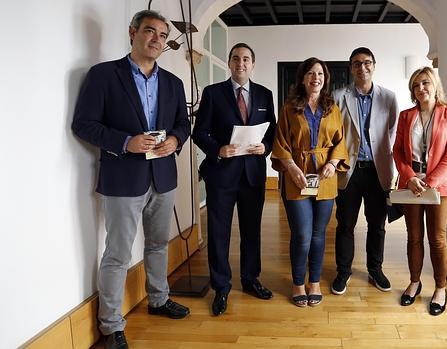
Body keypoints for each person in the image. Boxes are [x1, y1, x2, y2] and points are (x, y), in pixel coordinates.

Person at [72, 10, 191, 349]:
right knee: (118, 254)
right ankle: (111, 326)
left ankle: (158, 299)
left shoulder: (173, 82)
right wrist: (126, 142)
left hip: (163, 176)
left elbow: (183, 124)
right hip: (123, 178)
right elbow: (83, 124)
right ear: (133, 32)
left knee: (157, 245)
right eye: (150, 31)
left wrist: (176, 140)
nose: (157, 39)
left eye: (163, 36)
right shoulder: (103, 75)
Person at [192, 43, 276, 316]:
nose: (241, 63)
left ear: (253, 64)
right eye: (236, 59)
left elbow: (271, 131)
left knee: (252, 231)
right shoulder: (213, 93)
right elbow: (200, 132)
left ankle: (251, 279)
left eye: (246, 59)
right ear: (229, 63)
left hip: (252, 173)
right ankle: (221, 287)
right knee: (219, 233)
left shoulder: (265, 94)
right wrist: (218, 149)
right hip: (222, 175)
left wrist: (266, 147)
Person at [271, 57, 349, 307]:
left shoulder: (332, 108)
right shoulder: (289, 108)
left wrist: (332, 163)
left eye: (321, 75)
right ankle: (297, 282)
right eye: (311, 74)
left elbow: (340, 141)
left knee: (318, 234)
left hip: (325, 178)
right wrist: (291, 168)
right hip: (297, 177)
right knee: (302, 234)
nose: (316, 78)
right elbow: (280, 142)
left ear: (325, 80)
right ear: (303, 78)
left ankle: (314, 281)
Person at [392, 66, 447, 315]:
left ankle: (440, 288)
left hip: (439, 186)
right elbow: (398, 151)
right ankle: (414, 282)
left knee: (437, 238)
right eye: (415, 85)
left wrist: (430, 182)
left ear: (434, 85)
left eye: (425, 83)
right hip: (411, 185)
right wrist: (409, 177)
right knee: (413, 237)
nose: (420, 88)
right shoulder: (405, 115)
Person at [331, 47, 399, 295]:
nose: (362, 67)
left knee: (377, 224)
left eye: (367, 62)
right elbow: (334, 134)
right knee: (345, 224)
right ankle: (343, 271)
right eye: (357, 63)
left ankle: (375, 269)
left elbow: (393, 133)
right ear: (351, 67)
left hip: (378, 171)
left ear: (374, 65)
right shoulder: (338, 96)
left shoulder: (389, 98)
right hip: (348, 170)